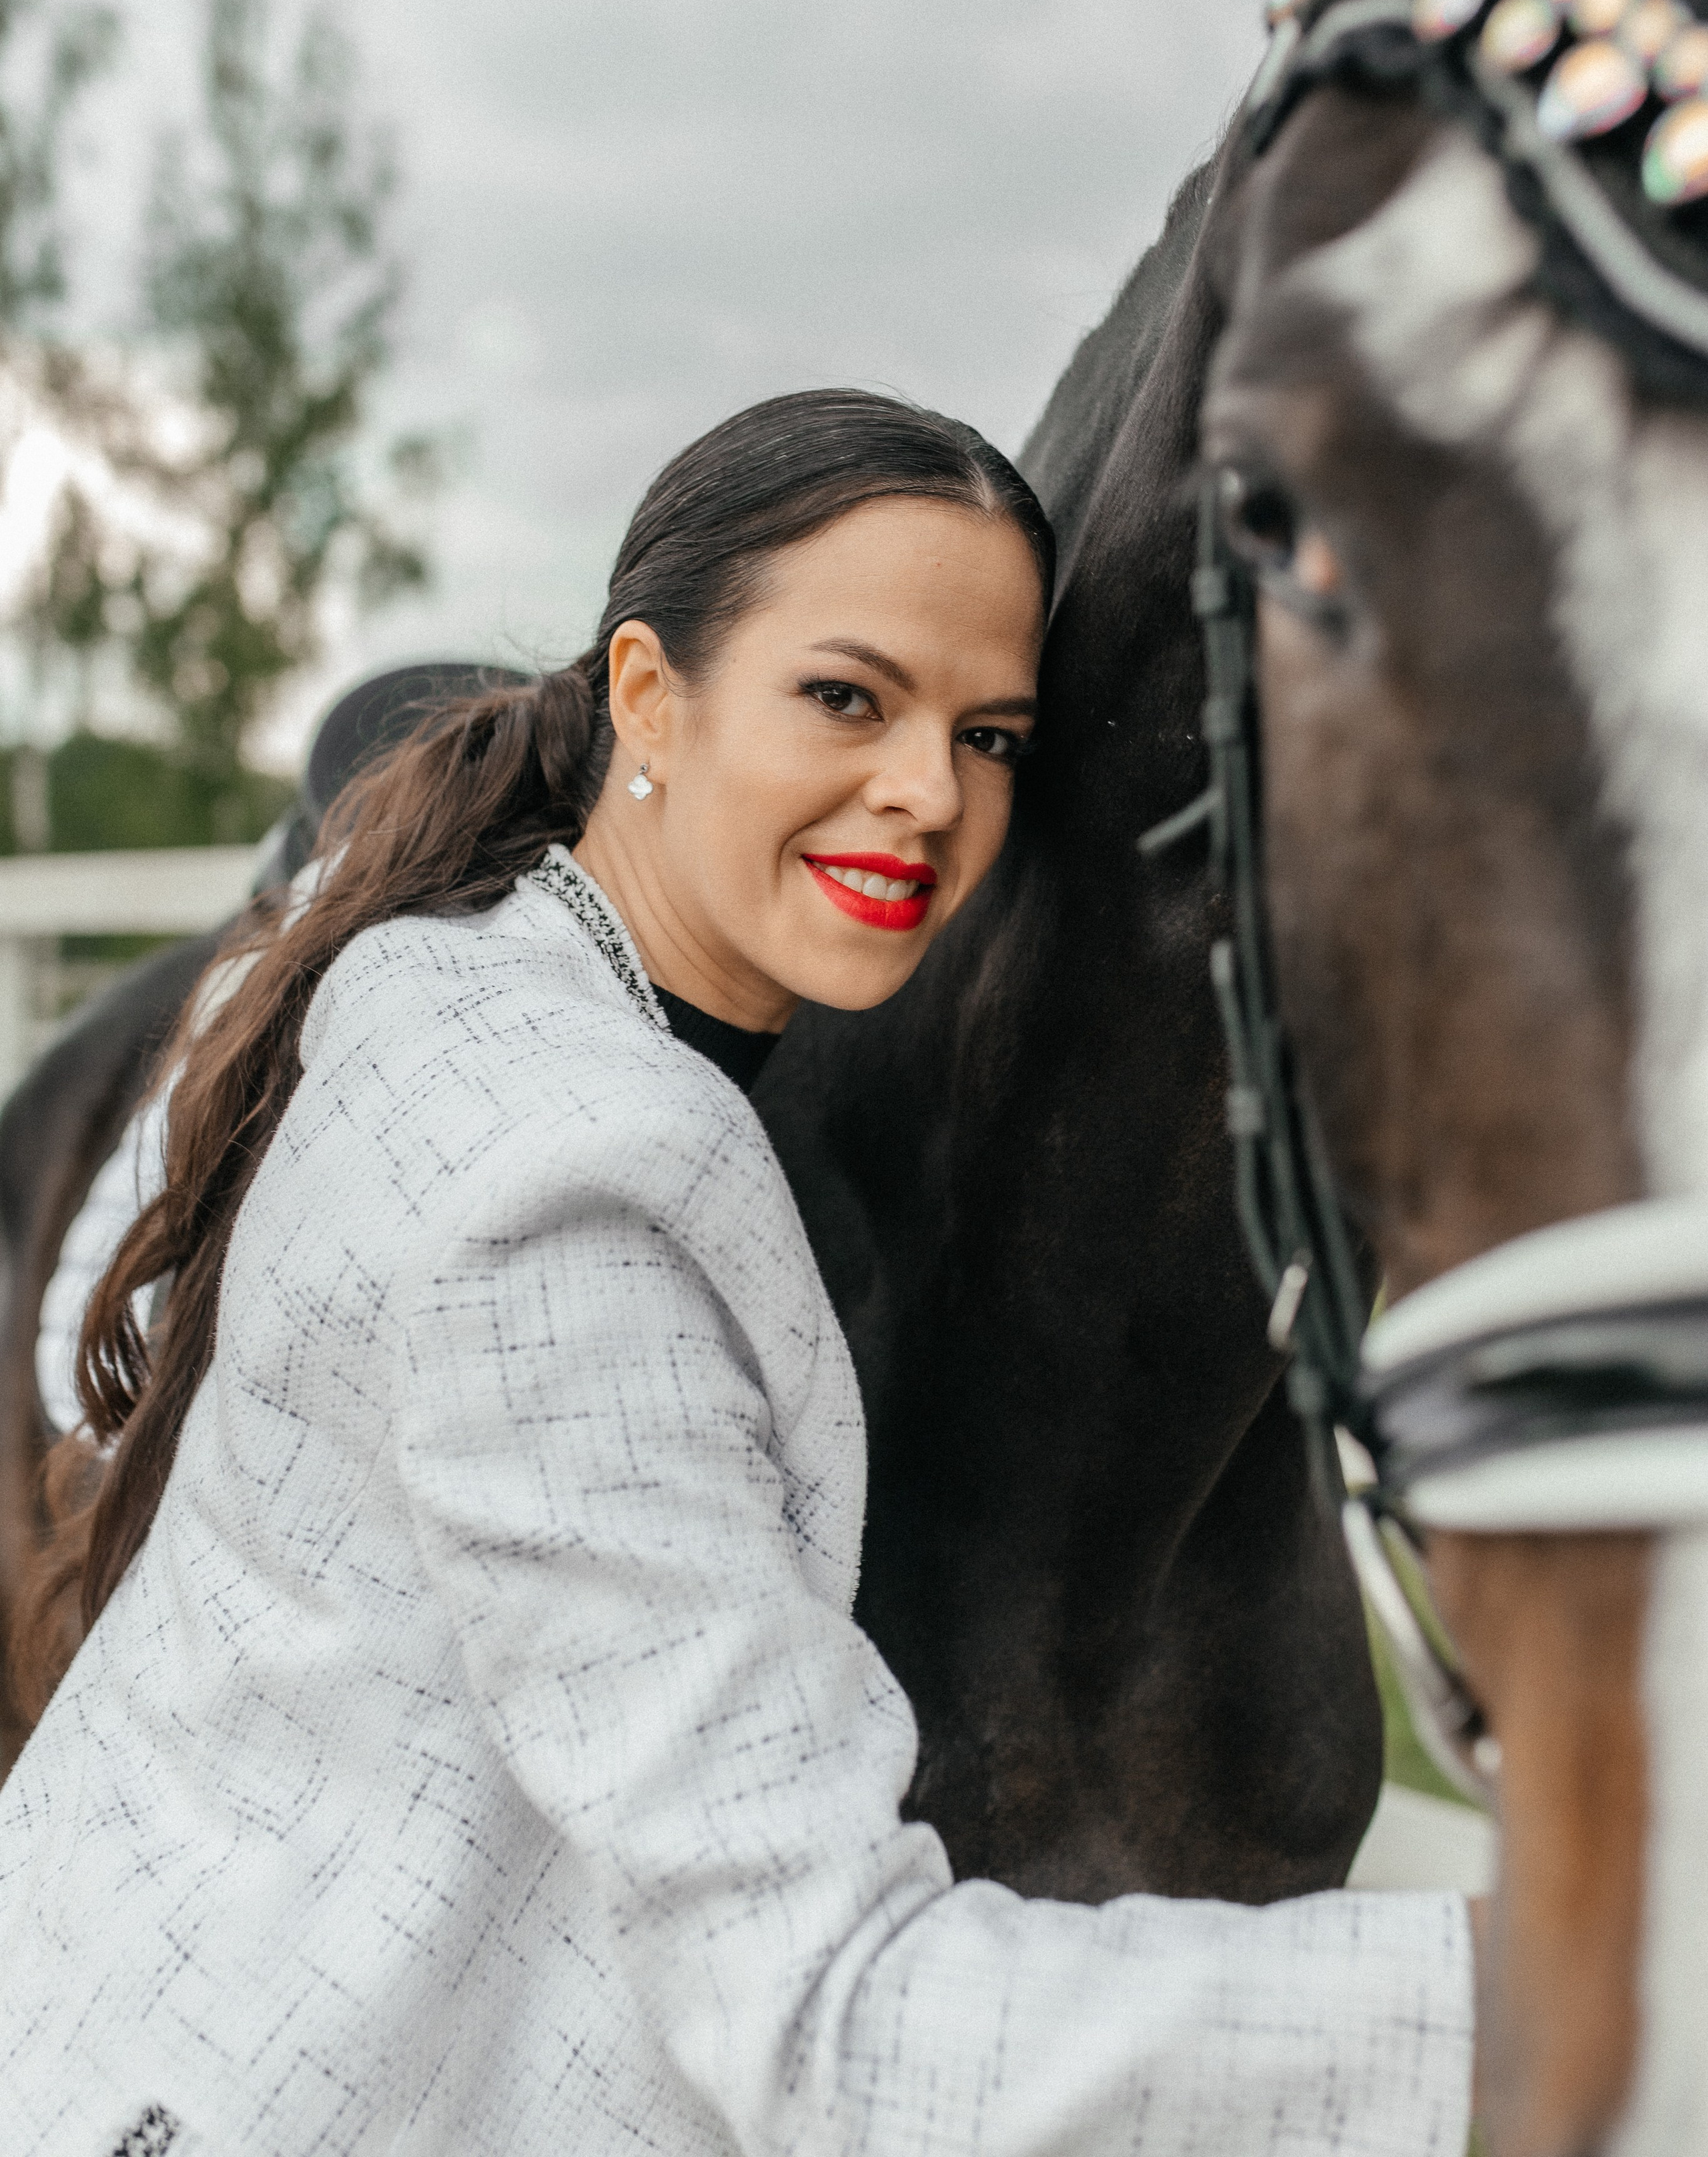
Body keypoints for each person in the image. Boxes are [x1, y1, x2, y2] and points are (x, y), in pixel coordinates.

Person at [0, 391, 1472, 2156]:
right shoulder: (571, 1180)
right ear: (646, 692)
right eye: (846, 698)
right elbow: (840, 2026)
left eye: (990, 735)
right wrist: (1564, 1999)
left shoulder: (458, 979)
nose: (928, 793)